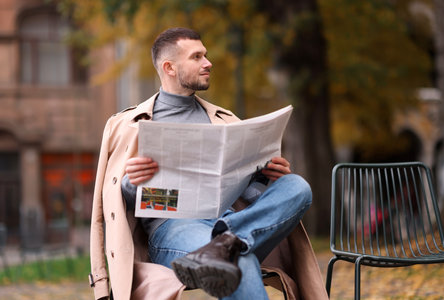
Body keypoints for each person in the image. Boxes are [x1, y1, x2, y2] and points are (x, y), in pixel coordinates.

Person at [89, 27, 328, 300]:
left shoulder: (224, 121)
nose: (208, 63)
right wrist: (133, 182)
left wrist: (267, 176)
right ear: (169, 67)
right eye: (197, 57)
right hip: (174, 228)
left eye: (206, 55)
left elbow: (247, 194)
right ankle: (229, 245)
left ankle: (227, 241)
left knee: (297, 186)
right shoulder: (129, 125)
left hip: (232, 219)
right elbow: (115, 207)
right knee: (238, 259)